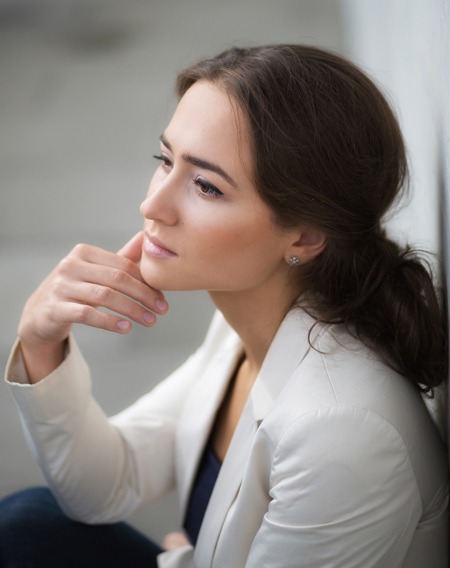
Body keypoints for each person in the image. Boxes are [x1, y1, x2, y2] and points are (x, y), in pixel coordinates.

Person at [0, 44, 448, 568]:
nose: (153, 206)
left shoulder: (341, 429)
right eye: (164, 160)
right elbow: (107, 483)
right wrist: (40, 340)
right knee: (28, 522)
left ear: (304, 235)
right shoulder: (249, 321)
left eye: (206, 186)